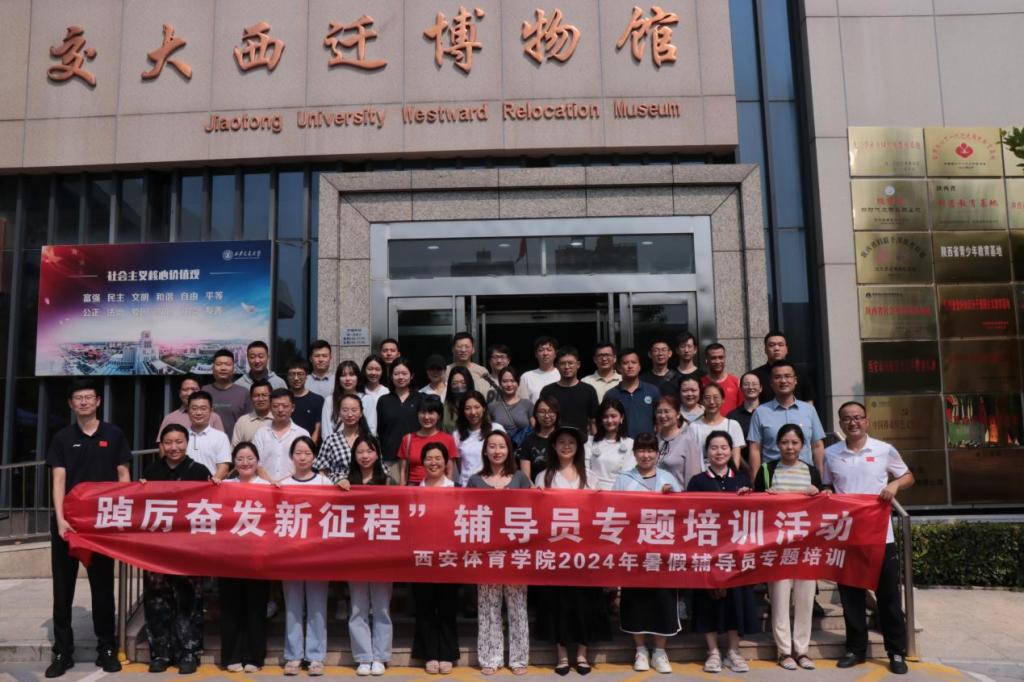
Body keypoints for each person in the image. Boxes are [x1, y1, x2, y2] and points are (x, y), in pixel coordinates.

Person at [45, 380, 130, 678]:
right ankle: (62, 652)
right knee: (62, 590)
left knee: (103, 588)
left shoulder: (114, 434)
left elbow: (123, 475)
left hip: (101, 524)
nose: (83, 402)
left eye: (88, 397)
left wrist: (120, 516)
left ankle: (106, 648)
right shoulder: (62, 437)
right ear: (71, 403)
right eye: (78, 398)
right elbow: (58, 480)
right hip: (67, 524)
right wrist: (60, 520)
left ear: (98, 401)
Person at [825, 401, 914, 675]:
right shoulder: (830, 453)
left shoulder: (884, 449)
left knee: (888, 596)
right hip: (846, 536)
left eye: (857, 417)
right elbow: (828, 485)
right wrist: (826, 492)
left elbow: (908, 476)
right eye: (846, 419)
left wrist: (894, 484)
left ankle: (896, 651)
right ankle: (856, 649)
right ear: (840, 424)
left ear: (866, 421)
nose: (852, 422)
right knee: (850, 596)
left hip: (880, 536)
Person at [141, 424, 211, 674]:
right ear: (161, 445)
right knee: (157, 602)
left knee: (188, 601)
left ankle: (188, 653)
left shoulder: (199, 471)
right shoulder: (151, 471)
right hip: (157, 550)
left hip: (188, 550)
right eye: (168, 442)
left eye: (179, 442)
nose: (174, 447)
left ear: (187, 442)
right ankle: (160, 653)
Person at [534, 426, 604, 675]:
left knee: (585, 603)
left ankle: (582, 655)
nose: (566, 446)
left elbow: (600, 511)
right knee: (558, 604)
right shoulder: (543, 477)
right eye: (561, 442)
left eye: (571, 442)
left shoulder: (591, 477)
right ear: (553, 447)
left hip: (584, 553)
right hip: (555, 553)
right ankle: (562, 656)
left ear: (578, 447)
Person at [687, 431, 756, 674]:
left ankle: (734, 652)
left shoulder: (742, 479)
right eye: (714, 448)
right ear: (706, 452)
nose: (719, 452)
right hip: (707, 552)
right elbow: (689, 515)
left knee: (737, 601)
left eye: (724, 447)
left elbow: (756, 514)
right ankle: (713, 652)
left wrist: (748, 498)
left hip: (736, 553)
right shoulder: (697, 481)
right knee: (707, 601)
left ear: (731, 450)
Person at [612, 432, 681, 675]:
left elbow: (683, 513)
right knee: (636, 601)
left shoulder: (668, 479)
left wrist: (672, 497)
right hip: (635, 551)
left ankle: (660, 652)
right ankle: (640, 650)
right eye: (641, 450)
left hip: (662, 552)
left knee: (663, 600)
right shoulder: (623, 480)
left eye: (651, 450)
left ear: (657, 453)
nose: (646, 455)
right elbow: (614, 513)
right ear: (634, 453)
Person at [467, 432, 532, 675]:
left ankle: (519, 658)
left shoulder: (520, 478)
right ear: (485, 451)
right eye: (492, 446)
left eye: (501, 446)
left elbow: (534, 509)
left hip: (515, 552)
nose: (497, 451)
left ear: (509, 450)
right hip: (486, 552)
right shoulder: (475, 480)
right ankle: (490, 657)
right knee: (488, 605)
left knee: (517, 606)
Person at [337, 436, 395, 676]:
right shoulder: (347, 482)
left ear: (377, 454)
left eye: (369, 451)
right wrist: (339, 487)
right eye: (360, 451)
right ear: (354, 455)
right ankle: (363, 656)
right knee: (358, 608)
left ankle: (380, 656)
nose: (364, 456)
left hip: (383, 555)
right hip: (356, 555)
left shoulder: (388, 481)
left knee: (382, 608)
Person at [280, 436, 332, 676]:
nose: (302, 458)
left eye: (307, 453)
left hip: (318, 554)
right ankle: (293, 655)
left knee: (317, 606)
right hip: (290, 555)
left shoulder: (324, 482)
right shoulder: (282, 484)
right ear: (291, 456)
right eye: (298, 453)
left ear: (315, 456)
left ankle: (315, 656)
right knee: (292, 605)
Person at [219, 442, 271, 674]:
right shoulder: (225, 486)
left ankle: (254, 656)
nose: (245, 463)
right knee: (231, 607)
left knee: (255, 608)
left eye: (250, 458)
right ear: (233, 462)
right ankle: (231, 655)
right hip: (229, 558)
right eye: (240, 459)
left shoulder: (268, 487)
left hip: (258, 558)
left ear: (257, 461)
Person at [412, 442, 460, 674]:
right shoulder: (413, 490)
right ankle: (429, 653)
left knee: (447, 606)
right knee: (424, 606)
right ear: (422, 462)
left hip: (449, 557)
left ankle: (447, 653)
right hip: (421, 557)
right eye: (429, 458)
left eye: (438, 458)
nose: (433, 463)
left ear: (446, 462)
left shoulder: (457, 489)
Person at [747, 360, 826, 476]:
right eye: (777, 377)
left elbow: (817, 446)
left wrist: (821, 479)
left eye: (787, 376)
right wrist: (755, 481)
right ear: (771, 383)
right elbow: (755, 449)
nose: (783, 381)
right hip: (773, 478)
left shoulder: (809, 410)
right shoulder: (760, 412)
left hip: (805, 477)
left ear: (795, 380)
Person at [252, 388, 311, 482]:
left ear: (292, 407)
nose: (280, 410)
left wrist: (284, 482)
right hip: (265, 486)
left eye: (285, 406)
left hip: (293, 486)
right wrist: (272, 483)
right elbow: (256, 463)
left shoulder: (302, 434)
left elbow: (306, 463)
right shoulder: (261, 433)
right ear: (270, 408)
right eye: (275, 406)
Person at [684, 383, 746, 471]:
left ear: (723, 400)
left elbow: (736, 458)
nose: (712, 402)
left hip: (727, 476)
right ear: (701, 401)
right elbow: (691, 459)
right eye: (707, 398)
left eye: (716, 397)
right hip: (702, 476)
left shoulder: (733, 425)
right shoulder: (694, 427)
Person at [397, 398, 458, 485]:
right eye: (422, 412)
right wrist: (403, 489)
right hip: (413, 487)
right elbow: (403, 471)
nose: (426, 417)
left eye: (431, 413)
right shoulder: (408, 439)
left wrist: (447, 490)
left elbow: (450, 472)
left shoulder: (448, 439)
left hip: (439, 487)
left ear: (439, 415)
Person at [539, 347, 598, 434]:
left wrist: (595, 441)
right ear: (557, 366)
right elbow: (541, 419)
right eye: (562, 363)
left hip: (581, 439)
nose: (567, 367)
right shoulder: (548, 391)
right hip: (554, 439)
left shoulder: (589, 390)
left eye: (570, 363)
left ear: (578, 365)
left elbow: (593, 421)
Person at [375, 357, 423, 466]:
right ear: (391, 376)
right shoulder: (383, 400)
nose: (400, 377)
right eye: (396, 374)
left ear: (411, 375)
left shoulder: (420, 399)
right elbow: (379, 430)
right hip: (390, 458)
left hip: (416, 457)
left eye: (404, 373)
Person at [313, 394, 370, 484]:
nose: (350, 414)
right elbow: (322, 472)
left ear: (361, 413)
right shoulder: (331, 440)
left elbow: (379, 468)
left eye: (354, 410)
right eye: (345, 410)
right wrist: (336, 482)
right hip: (337, 488)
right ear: (339, 413)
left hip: (364, 488)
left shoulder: (369, 439)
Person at [604, 348, 660, 438]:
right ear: (618, 368)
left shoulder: (653, 391)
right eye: (625, 363)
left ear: (639, 367)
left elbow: (659, 420)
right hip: (620, 444)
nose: (630, 366)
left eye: (634, 362)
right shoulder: (611, 394)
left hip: (647, 444)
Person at [453, 390, 505, 486]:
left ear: (484, 408)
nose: (473, 412)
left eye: (477, 407)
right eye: (468, 408)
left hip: (493, 485)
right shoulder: (457, 435)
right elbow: (459, 466)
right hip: (467, 486)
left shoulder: (496, 429)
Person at [584, 399, 635, 490]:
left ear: (621, 417)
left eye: (613, 416)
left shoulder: (630, 444)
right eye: (605, 416)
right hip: (593, 491)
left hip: (619, 492)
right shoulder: (590, 442)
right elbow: (586, 469)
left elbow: (627, 474)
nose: (609, 420)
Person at [751, 331, 814, 404]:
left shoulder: (800, 372)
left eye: (780, 345)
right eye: (771, 345)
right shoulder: (755, 376)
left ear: (786, 349)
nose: (776, 348)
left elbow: (808, 400)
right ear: (765, 350)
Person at [654, 395, 702, 490]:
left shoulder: (687, 441)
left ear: (678, 414)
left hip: (678, 495)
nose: (663, 415)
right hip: (654, 495)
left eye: (667, 411)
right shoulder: (654, 440)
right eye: (659, 412)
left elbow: (693, 478)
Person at [156, 375, 225, 440]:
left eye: (194, 389)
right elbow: (162, 445)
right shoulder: (170, 419)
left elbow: (220, 441)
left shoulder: (214, 417)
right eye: (185, 389)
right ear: (179, 393)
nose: (189, 393)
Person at [202, 348, 250, 437]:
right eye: (219, 364)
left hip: (236, 444)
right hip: (208, 443)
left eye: (228, 364)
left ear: (234, 368)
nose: (223, 368)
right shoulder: (204, 391)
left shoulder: (244, 393)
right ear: (212, 368)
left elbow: (249, 423)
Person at [185, 390, 232, 479]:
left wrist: (210, 484)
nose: (198, 413)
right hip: (184, 486)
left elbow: (224, 467)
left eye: (203, 408)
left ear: (211, 410)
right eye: (194, 408)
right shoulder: (181, 437)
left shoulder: (220, 437)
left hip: (210, 486)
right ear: (188, 410)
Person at [516, 395, 558, 481]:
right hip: (536, 487)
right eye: (542, 412)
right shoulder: (528, 441)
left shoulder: (563, 439)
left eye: (551, 411)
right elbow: (526, 478)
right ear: (536, 414)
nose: (547, 416)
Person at [488, 367, 532, 446]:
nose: (509, 384)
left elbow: (535, 429)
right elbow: (488, 431)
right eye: (505, 381)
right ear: (500, 383)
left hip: (523, 449)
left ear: (518, 383)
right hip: (500, 449)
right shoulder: (492, 407)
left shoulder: (527, 404)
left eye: (512, 381)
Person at [320, 360, 362, 440]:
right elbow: (326, 431)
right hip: (335, 445)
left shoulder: (366, 399)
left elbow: (371, 429)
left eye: (351, 375)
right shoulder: (330, 400)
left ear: (358, 378)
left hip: (360, 445)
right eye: (343, 375)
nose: (347, 379)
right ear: (338, 379)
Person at [726, 372, 761, 468]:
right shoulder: (732, 416)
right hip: (741, 469)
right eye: (746, 384)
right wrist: (748, 469)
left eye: (754, 384)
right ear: (741, 389)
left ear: (761, 388)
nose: (750, 387)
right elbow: (731, 446)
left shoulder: (768, 413)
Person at [446, 332, 494, 397]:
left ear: (473, 349)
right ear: (453, 349)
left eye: (467, 346)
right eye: (459, 347)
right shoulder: (447, 370)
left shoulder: (482, 371)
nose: (463, 350)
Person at [286, 360, 323, 442]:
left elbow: (318, 429)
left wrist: (309, 447)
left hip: (310, 446)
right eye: (292, 374)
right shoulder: (282, 399)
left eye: (300, 374)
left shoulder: (317, 400)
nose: (296, 378)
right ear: (287, 377)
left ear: (306, 376)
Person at [701, 343, 741, 414]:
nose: (717, 361)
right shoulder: (701, 383)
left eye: (721, 357)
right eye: (713, 358)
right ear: (707, 360)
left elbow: (741, 409)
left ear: (725, 358)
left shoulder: (736, 382)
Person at [517, 336, 560, 403]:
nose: (545, 353)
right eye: (541, 350)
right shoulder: (526, 377)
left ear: (555, 353)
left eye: (549, 350)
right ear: (536, 354)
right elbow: (522, 404)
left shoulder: (562, 375)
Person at [662, 331, 704, 396]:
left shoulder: (703, 376)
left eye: (689, 346)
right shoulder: (669, 376)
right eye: (682, 346)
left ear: (695, 350)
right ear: (677, 350)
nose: (686, 350)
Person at [231, 380, 273, 445]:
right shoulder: (242, 421)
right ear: (251, 398)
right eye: (256, 396)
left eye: (264, 395)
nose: (260, 399)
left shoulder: (278, 419)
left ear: (271, 397)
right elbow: (235, 447)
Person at [359, 354, 391, 435]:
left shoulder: (387, 392)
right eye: (370, 369)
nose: (373, 372)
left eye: (377, 369)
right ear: (364, 370)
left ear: (382, 371)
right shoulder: (359, 391)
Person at [442, 366, 473, 433]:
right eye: (455, 383)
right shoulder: (446, 406)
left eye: (463, 382)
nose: (459, 386)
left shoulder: (478, 404)